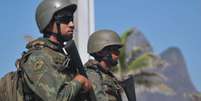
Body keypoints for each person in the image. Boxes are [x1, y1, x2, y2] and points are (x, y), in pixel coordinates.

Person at [0, 0, 92, 101]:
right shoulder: (38, 58)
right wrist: (79, 80)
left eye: (71, 19)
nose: (71, 24)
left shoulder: (60, 57)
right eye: (65, 19)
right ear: (48, 24)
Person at [85, 29, 129, 101]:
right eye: (114, 50)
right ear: (99, 52)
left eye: (118, 50)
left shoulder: (108, 76)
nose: (118, 53)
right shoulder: (92, 74)